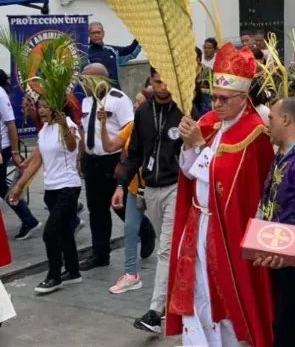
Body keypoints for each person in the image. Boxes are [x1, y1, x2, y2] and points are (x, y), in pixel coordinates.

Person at [167, 42, 275, 347]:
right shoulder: (208, 123)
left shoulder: (255, 133)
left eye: (224, 99)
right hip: (197, 223)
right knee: (197, 290)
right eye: (213, 96)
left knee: (224, 294)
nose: (216, 104)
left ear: (242, 98)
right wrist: (189, 145)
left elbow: (228, 185)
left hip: (228, 229)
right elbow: (189, 173)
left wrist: (199, 145)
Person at [111, 67, 188, 333]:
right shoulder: (143, 112)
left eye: (166, 81)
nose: (163, 86)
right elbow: (133, 153)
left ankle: (155, 312)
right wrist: (121, 186)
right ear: (150, 82)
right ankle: (182, 295)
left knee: (165, 250)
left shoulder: (183, 109)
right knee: (170, 248)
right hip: (150, 189)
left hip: (176, 187)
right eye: (157, 82)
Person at [79, 64, 154, 271]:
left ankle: (145, 230)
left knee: (120, 206)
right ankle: (100, 254)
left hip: (113, 160)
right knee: (96, 209)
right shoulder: (86, 101)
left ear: (100, 80)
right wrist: (81, 157)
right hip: (92, 160)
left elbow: (131, 133)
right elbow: (84, 130)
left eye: (87, 80)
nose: (84, 85)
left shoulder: (119, 100)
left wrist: (122, 162)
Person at [254, 97, 295, 347]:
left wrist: (281, 245)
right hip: (278, 249)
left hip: (292, 254)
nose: (267, 124)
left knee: (290, 322)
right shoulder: (284, 153)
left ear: (286, 120)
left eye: (271, 118)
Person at [9, 101, 82, 294]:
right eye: (39, 106)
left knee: (50, 233)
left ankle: (54, 276)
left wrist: (64, 126)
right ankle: (73, 271)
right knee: (65, 231)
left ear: (56, 107)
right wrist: (19, 187)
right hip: (51, 190)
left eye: (46, 106)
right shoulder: (44, 130)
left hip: (68, 187)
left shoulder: (67, 124)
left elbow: (72, 147)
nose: (41, 110)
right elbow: (37, 161)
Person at [0, 73, 39, 240]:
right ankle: (29, 220)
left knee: (2, 187)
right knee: (1, 187)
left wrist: (15, 153)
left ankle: (29, 220)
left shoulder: (0, 94)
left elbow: (11, 124)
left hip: (3, 147)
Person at [85, 21, 141, 88]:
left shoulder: (112, 50)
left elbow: (131, 51)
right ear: (89, 34)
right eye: (93, 33)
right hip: (95, 91)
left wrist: (140, 35)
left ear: (103, 33)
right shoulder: (84, 52)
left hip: (114, 90)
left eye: (98, 32)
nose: (96, 35)